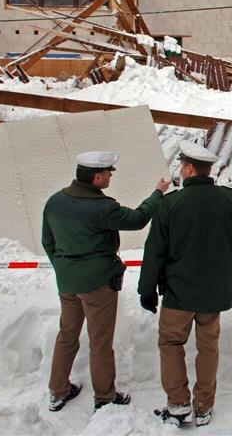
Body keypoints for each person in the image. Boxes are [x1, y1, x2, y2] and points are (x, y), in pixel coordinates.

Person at [42, 150, 170, 413]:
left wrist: (64, 269)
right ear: (97, 176)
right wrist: (157, 193)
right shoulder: (102, 207)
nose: (111, 176)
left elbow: (48, 241)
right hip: (98, 285)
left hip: (67, 283)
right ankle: (104, 396)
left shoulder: (55, 202)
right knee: (100, 341)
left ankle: (58, 390)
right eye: (109, 173)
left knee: (66, 336)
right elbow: (137, 219)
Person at [138, 140, 232, 428]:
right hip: (214, 292)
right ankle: (203, 407)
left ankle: (177, 405)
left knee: (172, 343)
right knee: (208, 347)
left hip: (178, 293)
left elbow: (155, 251)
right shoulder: (230, 200)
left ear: (188, 168)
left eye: (181, 167)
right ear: (208, 170)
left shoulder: (170, 204)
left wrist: (147, 289)